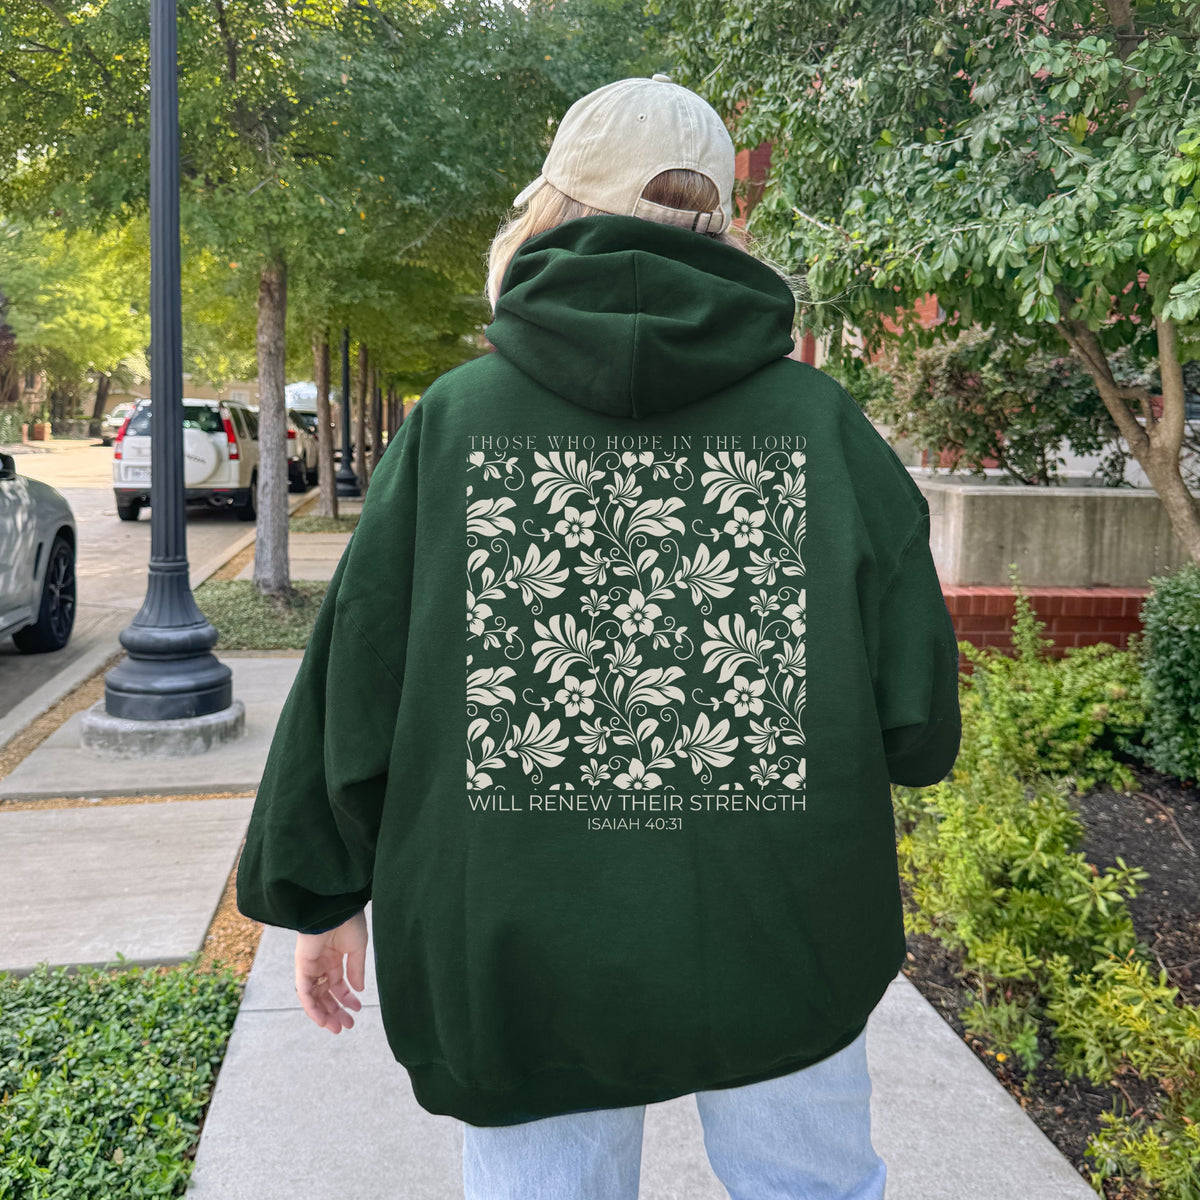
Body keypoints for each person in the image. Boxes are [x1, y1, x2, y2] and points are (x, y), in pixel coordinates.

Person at [236, 73, 961, 1200]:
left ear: (553, 209)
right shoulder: (821, 429)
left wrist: (323, 895)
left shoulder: (453, 424)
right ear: (720, 223)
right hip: (778, 927)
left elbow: (355, 684)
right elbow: (915, 723)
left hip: (517, 945)